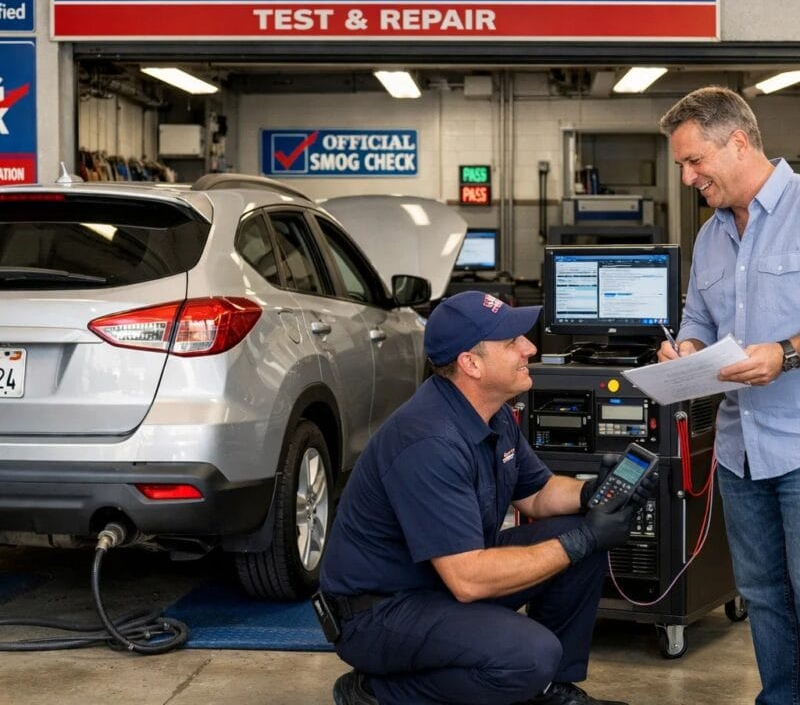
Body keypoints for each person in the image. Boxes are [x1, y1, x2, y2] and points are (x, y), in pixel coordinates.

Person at [319, 290, 655, 705]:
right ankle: (376, 691)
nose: (530, 348)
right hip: (380, 613)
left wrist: (592, 494)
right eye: (513, 342)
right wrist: (585, 538)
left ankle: (551, 693)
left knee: (577, 535)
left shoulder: (489, 412)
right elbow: (468, 580)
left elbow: (538, 494)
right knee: (530, 655)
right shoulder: (429, 440)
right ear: (471, 364)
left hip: (436, 582)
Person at [657, 86, 800, 705]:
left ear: (738, 142)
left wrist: (787, 353)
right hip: (740, 452)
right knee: (765, 593)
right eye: (682, 166)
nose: (688, 178)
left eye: (694, 162)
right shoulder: (711, 236)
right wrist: (684, 352)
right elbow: (697, 320)